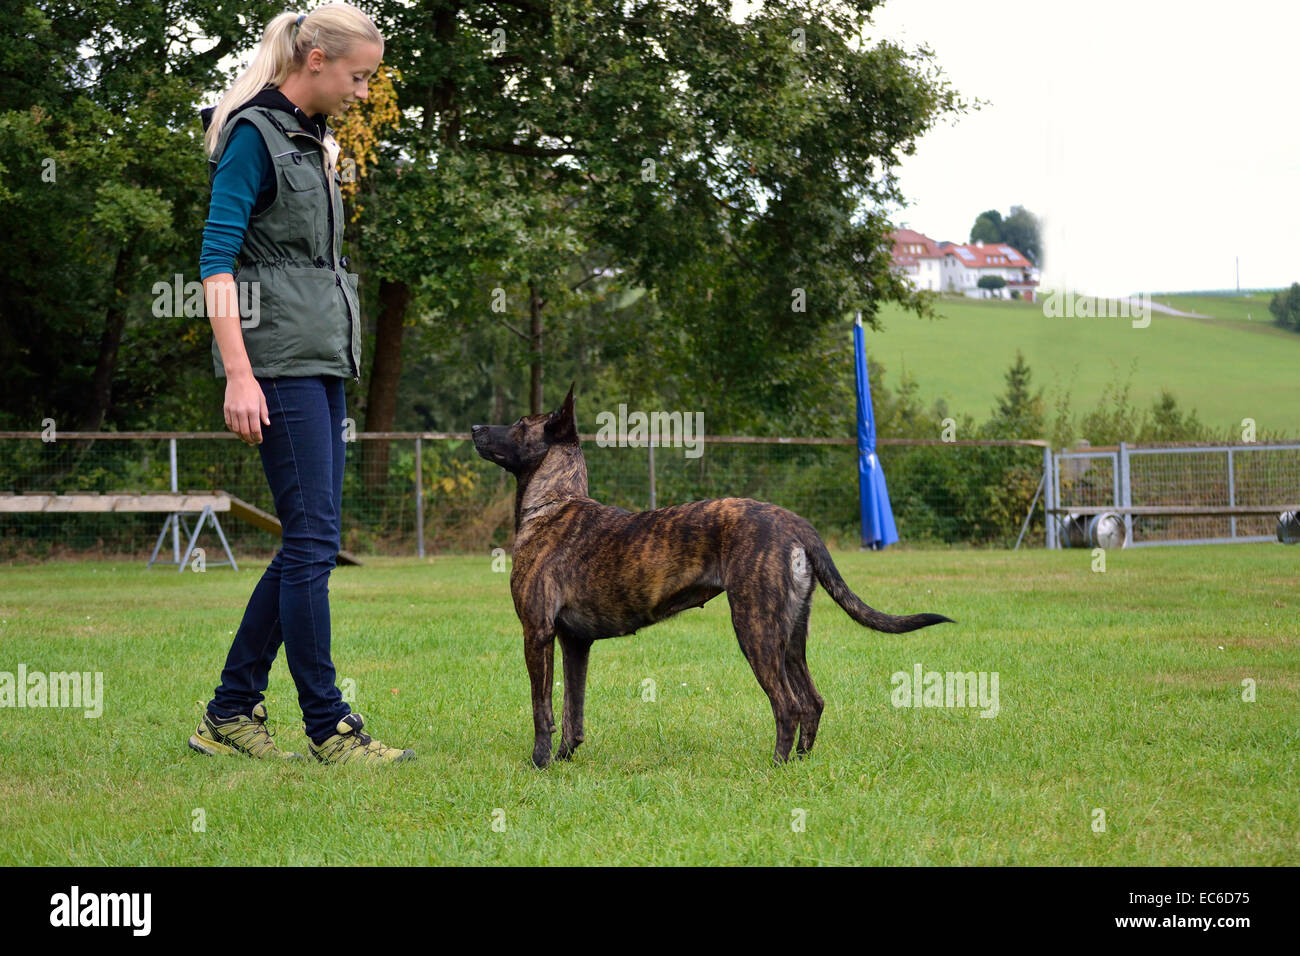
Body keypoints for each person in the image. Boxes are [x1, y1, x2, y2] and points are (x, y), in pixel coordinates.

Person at [188, 4, 412, 765]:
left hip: (318, 361)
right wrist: (240, 375)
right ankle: (329, 727)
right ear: (314, 58)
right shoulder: (253, 135)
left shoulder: (310, 142)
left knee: (309, 544)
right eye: (357, 77)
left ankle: (230, 710)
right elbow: (216, 265)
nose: (361, 91)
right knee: (311, 544)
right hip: (275, 366)